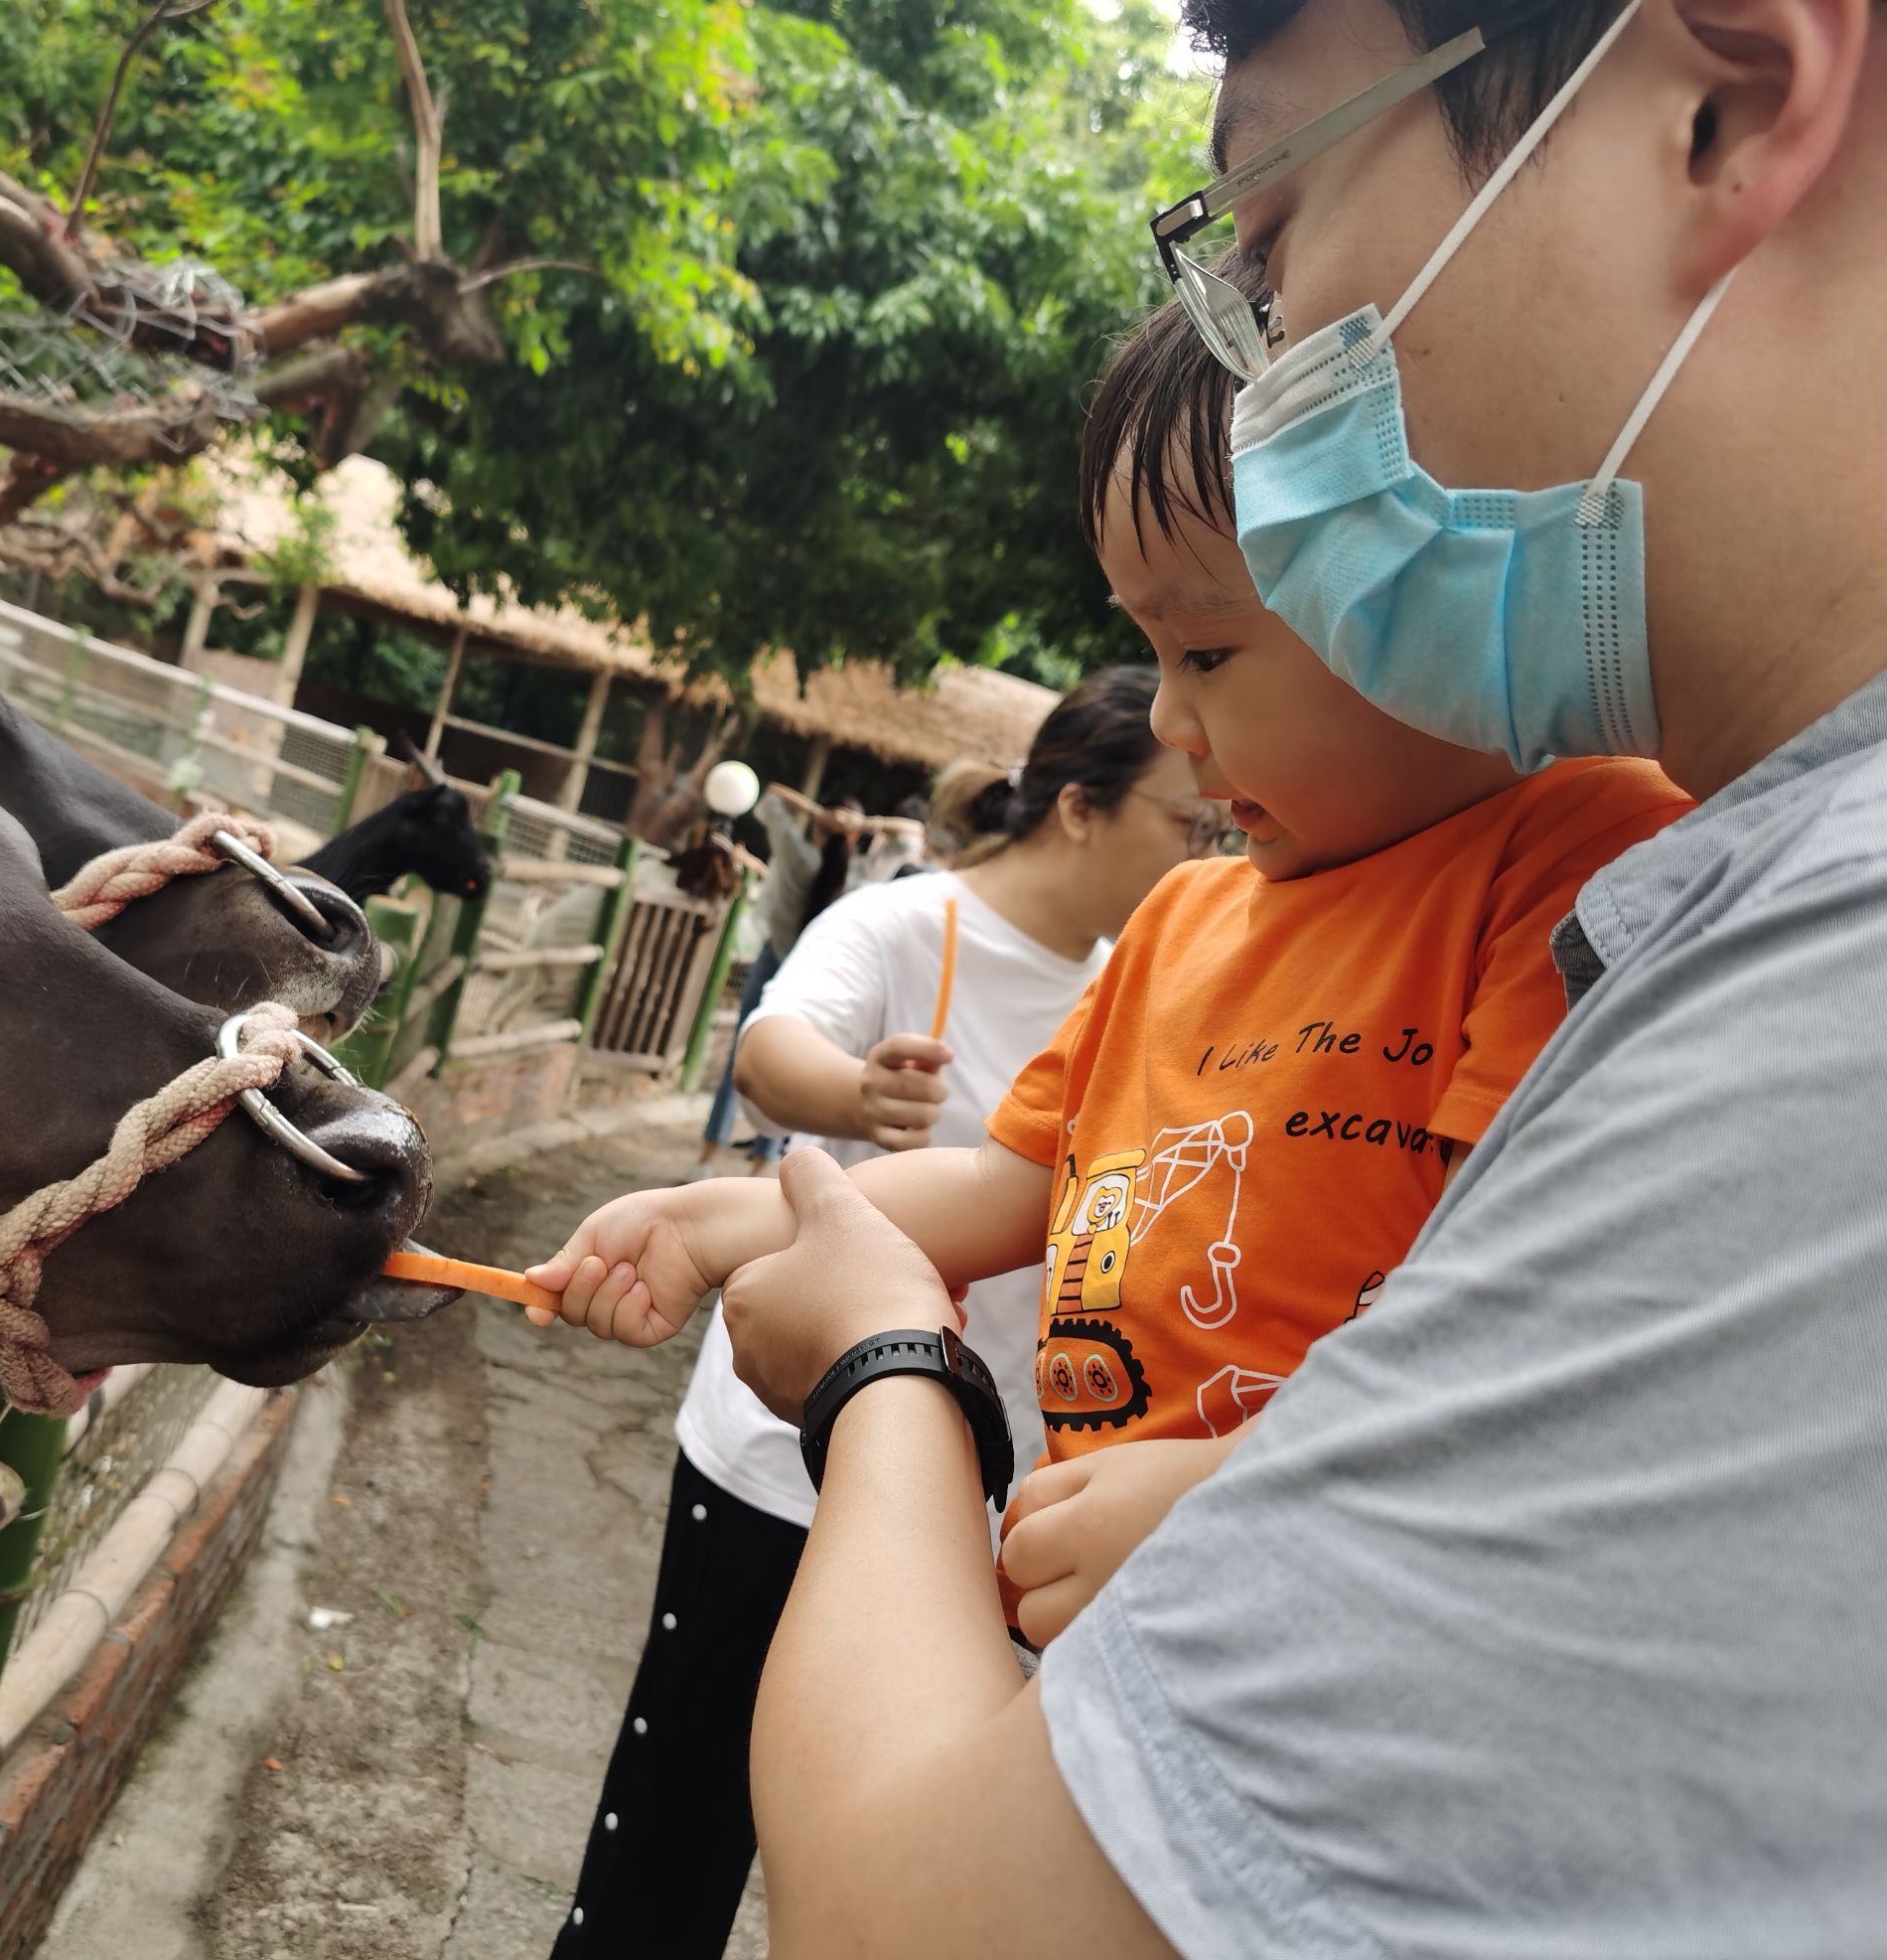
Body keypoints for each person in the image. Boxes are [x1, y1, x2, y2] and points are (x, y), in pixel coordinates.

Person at [531, 166, 1730, 1933]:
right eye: (1149, 653)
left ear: (1418, 563)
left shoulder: (1560, 861)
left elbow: (1519, 1317)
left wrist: (1241, 1487)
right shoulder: (1182, 919)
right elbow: (1017, 1179)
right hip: (1086, 1608)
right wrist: (740, 1224)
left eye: (1210, 649)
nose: (1169, 717)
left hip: (1304, 1626)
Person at [553, 673, 1215, 1960]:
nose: (1207, 851)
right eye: (1188, 826)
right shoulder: (912, 920)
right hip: (782, 1450)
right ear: (1078, 808)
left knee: (910, 1851)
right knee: (673, 1840)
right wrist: (853, 1095)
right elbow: (768, 1044)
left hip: (979, 1479)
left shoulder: (1150, 973)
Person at [697, 787, 918, 1170]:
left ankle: (705, 1158)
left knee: (743, 1056)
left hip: (774, 962)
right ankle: (761, 1167)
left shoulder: (793, 852)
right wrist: (865, 824)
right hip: (828, 977)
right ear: (853, 836)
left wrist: (819, 812)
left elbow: (771, 798)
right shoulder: (867, 873)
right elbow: (914, 833)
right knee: (794, 1068)